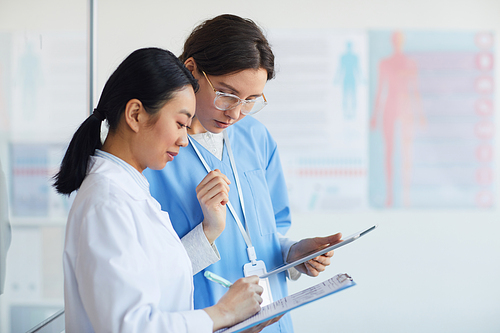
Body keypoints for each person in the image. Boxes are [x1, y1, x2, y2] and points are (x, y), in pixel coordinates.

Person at [144, 15, 343, 333]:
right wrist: (206, 232)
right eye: (227, 94)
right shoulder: (155, 154)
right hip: (204, 321)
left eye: (250, 100)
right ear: (192, 70)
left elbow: (270, 230)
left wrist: (293, 252)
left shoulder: (255, 137)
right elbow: (150, 274)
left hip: (272, 321)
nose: (235, 112)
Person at [53, 47, 267, 333]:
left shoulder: (131, 191)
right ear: (136, 114)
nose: (183, 140)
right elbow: (130, 326)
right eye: (180, 123)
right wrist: (222, 313)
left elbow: (161, 291)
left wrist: (224, 325)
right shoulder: (107, 202)